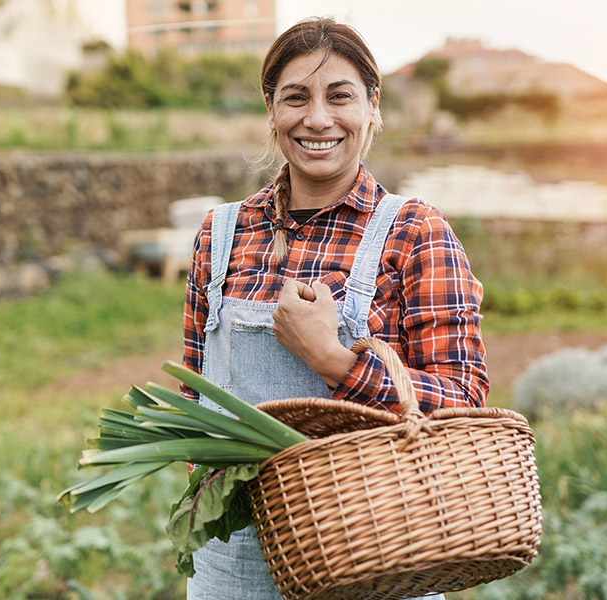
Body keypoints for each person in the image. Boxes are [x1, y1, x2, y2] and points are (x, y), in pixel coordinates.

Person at [180, 16, 489, 600]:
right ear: (271, 110)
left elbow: (465, 403)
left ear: (374, 107)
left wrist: (333, 360)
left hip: (376, 550)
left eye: (339, 96)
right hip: (236, 558)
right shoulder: (219, 235)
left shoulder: (415, 232)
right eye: (295, 97)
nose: (317, 119)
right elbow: (200, 392)